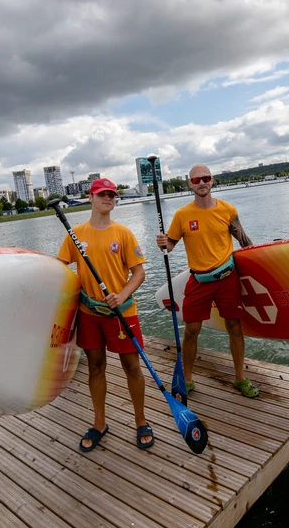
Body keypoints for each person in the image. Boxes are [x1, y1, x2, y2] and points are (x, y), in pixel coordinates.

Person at [57, 178, 153, 451]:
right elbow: (60, 269)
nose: (108, 199)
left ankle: (141, 420)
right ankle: (100, 423)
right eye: (102, 194)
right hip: (89, 313)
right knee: (96, 367)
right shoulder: (75, 234)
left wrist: (122, 295)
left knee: (131, 367)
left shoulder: (123, 234)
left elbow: (139, 273)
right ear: (90, 197)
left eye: (112, 195)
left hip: (121, 312)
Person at [155, 164, 259, 398]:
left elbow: (244, 240)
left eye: (206, 178)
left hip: (227, 278)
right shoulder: (182, 215)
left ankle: (240, 378)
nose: (201, 183)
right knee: (192, 330)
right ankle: (187, 379)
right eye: (196, 180)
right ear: (189, 184)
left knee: (234, 326)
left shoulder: (227, 210)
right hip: (199, 280)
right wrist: (163, 243)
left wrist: (266, 256)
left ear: (212, 181)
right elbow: (169, 246)